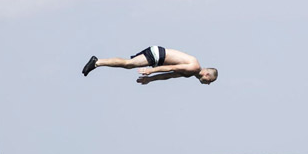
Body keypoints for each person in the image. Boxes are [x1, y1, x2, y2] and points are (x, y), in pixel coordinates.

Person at [82, 47, 218, 85]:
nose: (208, 84)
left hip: (158, 57)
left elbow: (168, 76)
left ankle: (97, 62)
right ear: (207, 74)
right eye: (209, 81)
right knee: (128, 64)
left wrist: (150, 79)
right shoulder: (194, 67)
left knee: (127, 64)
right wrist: (150, 71)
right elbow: (171, 68)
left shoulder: (191, 73)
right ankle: (97, 62)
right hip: (158, 55)